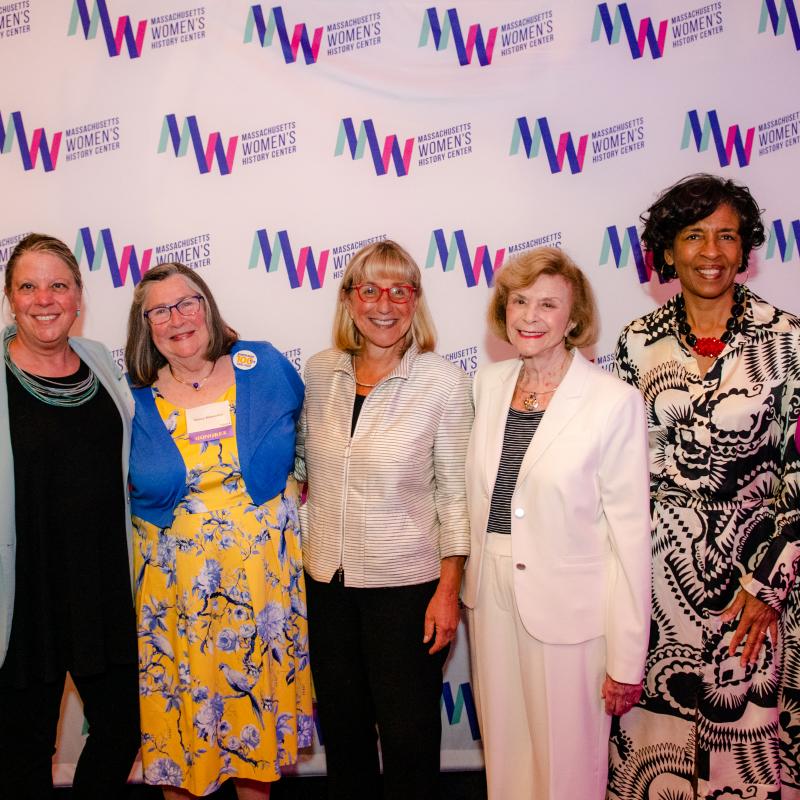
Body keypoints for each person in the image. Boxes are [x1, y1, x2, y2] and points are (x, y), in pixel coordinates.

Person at [608, 173, 800, 799]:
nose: (711, 251)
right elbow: (620, 471)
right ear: (667, 251)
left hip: (757, 587)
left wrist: (768, 587)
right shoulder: (636, 343)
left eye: (726, 236)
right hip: (659, 586)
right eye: (694, 236)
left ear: (746, 250)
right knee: (655, 758)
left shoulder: (789, 340)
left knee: (747, 761)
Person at [461, 246, 652, 800]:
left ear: (574, 319)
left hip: (571, 611)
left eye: (548, 304)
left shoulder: (612, 402)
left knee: (567, 770)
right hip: (491, 595)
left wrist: (626, 655)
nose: (529, 316)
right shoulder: (488, 383)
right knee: (506, 757)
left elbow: (631, 537)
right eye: (519, 301)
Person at [126, 262, 311, 799]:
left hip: (261, 590)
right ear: (146, 326)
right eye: (158, 310)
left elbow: (313, 437)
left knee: (253, 748)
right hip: (177, 599)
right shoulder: (131, 398)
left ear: (208, 305)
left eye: (187, 302)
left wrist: (297, 482)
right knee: (184, 747)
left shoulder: (264, 367)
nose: (176, 318)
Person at [295, 240, 472, 799]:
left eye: (400, 290)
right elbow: (301, 466)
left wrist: (449, 589)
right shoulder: (320, 372)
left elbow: (456, 496)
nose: (384, 304)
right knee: (344, 735)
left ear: (415, 301)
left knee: (408, 738)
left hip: (408, 591)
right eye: (369, 289)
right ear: (349, 301)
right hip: (326, 585)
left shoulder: (443, 382)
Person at [0, 233, 140, 799]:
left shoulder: (102, 361)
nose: (44, 298)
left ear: (78, 296)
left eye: (58, 284)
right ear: (10, 298)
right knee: (23, 750)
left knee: (124, 728)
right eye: (28, 285)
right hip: (23, 595)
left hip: (102, 588)